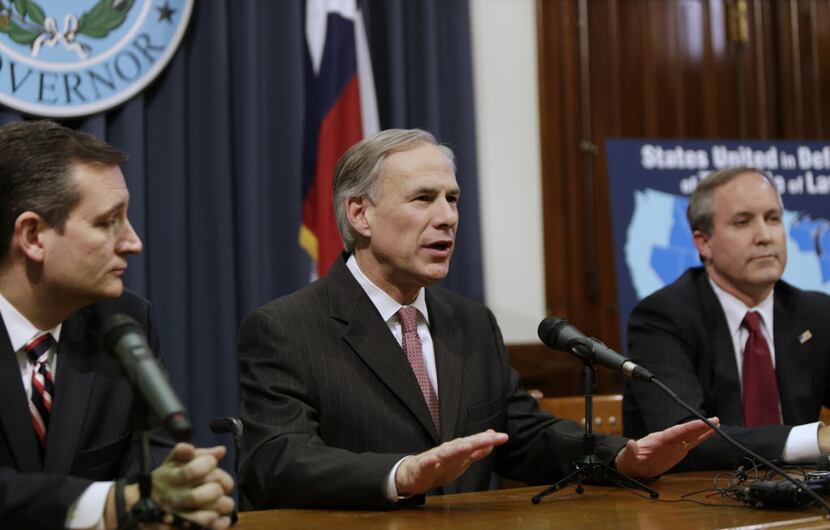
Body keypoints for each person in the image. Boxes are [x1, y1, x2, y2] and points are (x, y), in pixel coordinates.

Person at [238, 128, 715, 509]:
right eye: (424, 199)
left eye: (453, 199)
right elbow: (276, 460)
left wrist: (623, 456)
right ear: (360, 215)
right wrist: (400, 474)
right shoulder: (286, 327)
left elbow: (523, 435)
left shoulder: (471, 322)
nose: (447, 217)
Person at [0, 120, 235, 530]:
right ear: (33, 235)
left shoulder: (124, 323)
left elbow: (155, 466)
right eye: (109, 221)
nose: (133, 242)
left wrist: (189, 495)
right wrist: (115, 505)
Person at [624, 167, 830, 470]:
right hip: (688, 504)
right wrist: (813, 440)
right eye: (743, 222)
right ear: (703, 243)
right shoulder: (662, 318)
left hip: (799, 498)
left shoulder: (816, 313)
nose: (764, 236)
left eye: (773, 218)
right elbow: (683, 440)